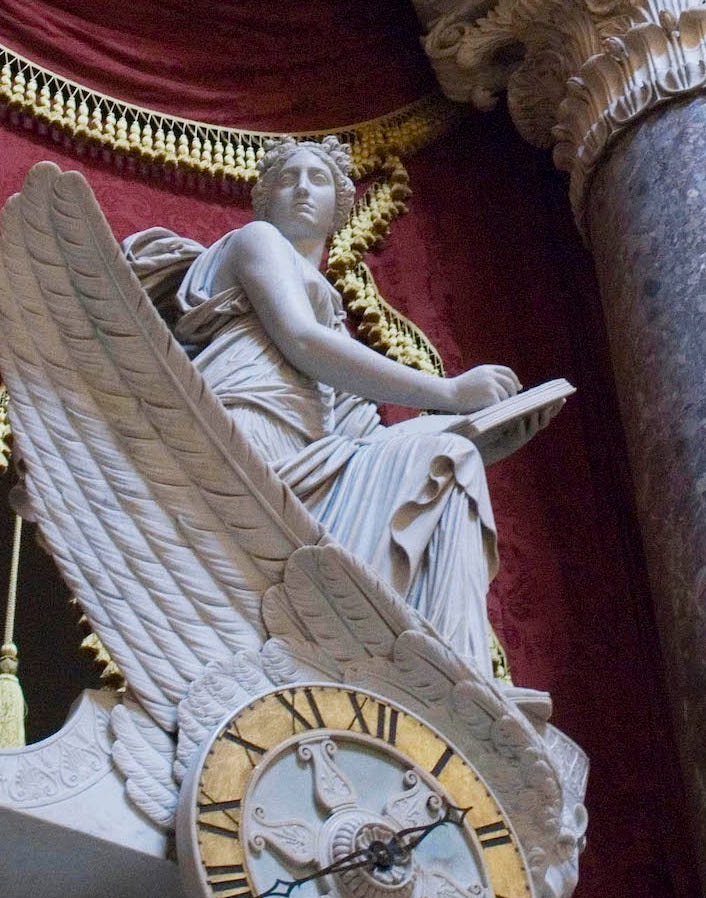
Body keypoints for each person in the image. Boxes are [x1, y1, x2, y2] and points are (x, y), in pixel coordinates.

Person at [127, 138, 519, 678]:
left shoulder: (335, 324)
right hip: (251, 438)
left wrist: (472, 430)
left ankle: (457, 673)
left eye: (317, 180)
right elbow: (301, 340)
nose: (304, 189)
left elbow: (363, 441)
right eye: (289, 179)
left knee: (452, 461)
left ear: (340, 208)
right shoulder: (256, 241)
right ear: (265, 200)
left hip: (318, 460)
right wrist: (448, 393)